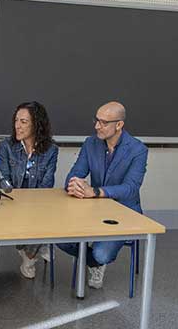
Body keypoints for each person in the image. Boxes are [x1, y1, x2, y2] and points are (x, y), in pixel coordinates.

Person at [57, 101, 148, 289]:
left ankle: (95, 261)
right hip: (94, 209)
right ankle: (92, 261)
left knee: (101, 254)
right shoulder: (91, 143)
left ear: (119, 124)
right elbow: (75, 174)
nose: (97, 126)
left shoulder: (138, 150)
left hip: (124, 212)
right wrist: (75, 185)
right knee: (59, 239)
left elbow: (130, 188)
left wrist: (95, 191)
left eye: (104, 122)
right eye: (96, 120)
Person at [0, 101, 58, 279]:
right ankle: (37, 248)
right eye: (16, 120)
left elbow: (47, 184)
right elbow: (4, 181)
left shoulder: (51, 150)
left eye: (23, 121)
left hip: (38, 203)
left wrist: (32, 205)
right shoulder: (7, 146)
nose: (17, 125)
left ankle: (29, 254)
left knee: (49, 217)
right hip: (11, 202)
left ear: (37, 124)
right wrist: (21, 204)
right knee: (35, 224)